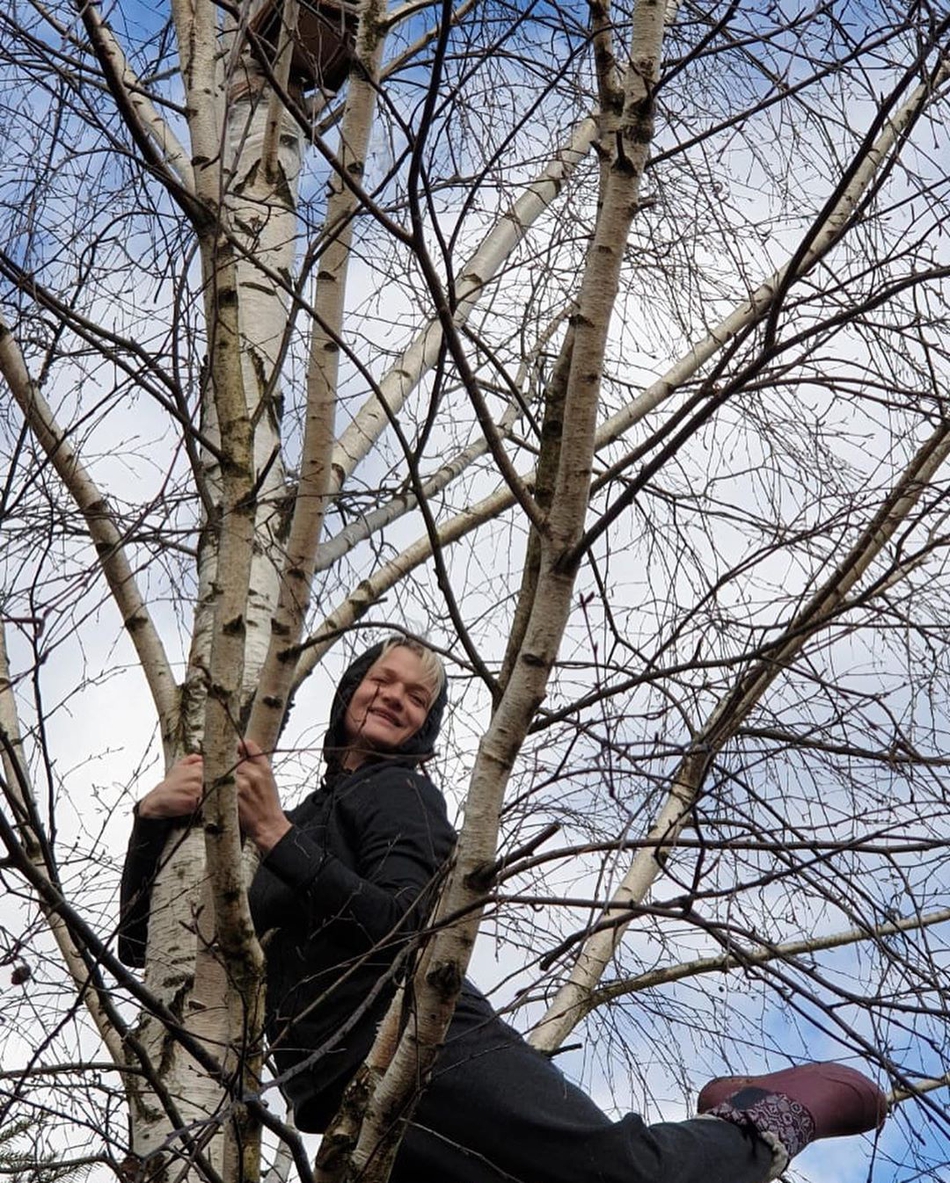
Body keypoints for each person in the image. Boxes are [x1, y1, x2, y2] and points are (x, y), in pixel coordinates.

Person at [120, 635, 888, 1183]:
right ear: (351, 687)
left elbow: (407, 922)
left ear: (426, 725)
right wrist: (151, 817)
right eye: (382, 680)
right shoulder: (311, 810)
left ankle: (769, 1118)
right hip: (340, 1092)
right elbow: (145, 948)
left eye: (416, 695)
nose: (394, 697)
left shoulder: (395, 790)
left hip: (427, 1043)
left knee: (620, 1171)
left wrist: (275, 834)